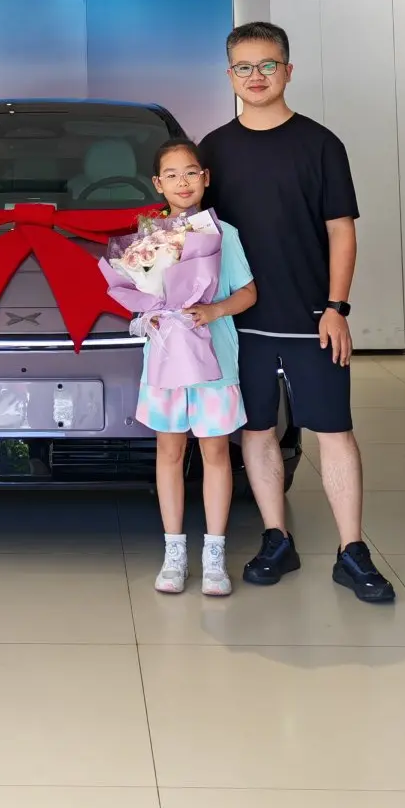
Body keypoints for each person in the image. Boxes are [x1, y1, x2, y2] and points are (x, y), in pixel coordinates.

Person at [199, 21, 395, 604]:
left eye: (267, 65)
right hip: (241, 322)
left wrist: (336, 307)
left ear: (288, 70)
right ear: (229, 75)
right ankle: (276, 538)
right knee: (257, 430)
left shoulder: (321, 144)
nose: (256, 76)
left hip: (313, 319)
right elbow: (199, 236)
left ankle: (352, 550)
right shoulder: (213, 150)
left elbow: (341, 231)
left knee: (334, 431)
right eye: (244, 67)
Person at [138, 138, 256, 597]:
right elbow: (142, 298)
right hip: (166, 362)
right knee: (168, 453)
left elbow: (248, 293)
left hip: (214, 362)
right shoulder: (149, 237)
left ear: (205, 178)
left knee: (215, 453)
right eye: (171, 175)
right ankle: (174, 552)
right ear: (158, 183)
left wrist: (214, 310)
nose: (182, 182)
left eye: (191, 172)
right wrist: (146, 317)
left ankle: (214, 554)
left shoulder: (224, 234)